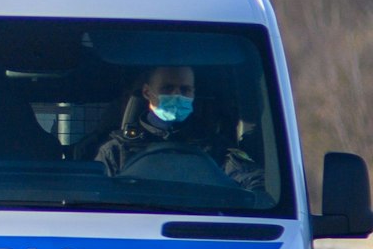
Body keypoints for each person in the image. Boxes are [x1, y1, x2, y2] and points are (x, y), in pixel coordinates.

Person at [95, 65, 264, 190]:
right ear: (147, 92)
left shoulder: (213, 147)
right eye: (167, 88)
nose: (177, 94)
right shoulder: (116, 150)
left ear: (193, 94)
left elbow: (253, 181)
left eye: (185, 89)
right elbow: (99, 197)